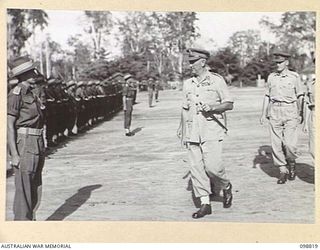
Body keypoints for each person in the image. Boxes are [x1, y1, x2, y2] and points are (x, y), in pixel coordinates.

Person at [177, 48, 234, 219]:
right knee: (196, 168)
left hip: (211, 129)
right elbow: (185, 108)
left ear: (203, 62)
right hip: (192, 130)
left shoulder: (216, 81)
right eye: (189, 62)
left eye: (193, 62)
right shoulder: (188, 84)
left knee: (213, 167)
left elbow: (229, 104)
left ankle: (226, 185)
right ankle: (205, 203)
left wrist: (213, 107)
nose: (190, 66)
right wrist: (181, 128)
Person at [7, 56, 46, 220]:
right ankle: (21, 225)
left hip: (37, 141)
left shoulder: (32, 92)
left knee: (35, 185)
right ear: (22, 75)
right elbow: (9, 125)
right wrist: (14, 154)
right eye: (30, 72)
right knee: (24, 189)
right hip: (25, 142)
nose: (34, 74)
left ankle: (30, 221)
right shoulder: (16, 94)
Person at [260, 50, 303, 184]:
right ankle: (282, 170)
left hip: (290, 110)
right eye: (276, 62)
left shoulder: (294, 77)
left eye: (280, 62)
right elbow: (267, 96)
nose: (278, 65)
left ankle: (291, 162)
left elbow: (300, 96)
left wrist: (300, 113)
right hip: (274, 111)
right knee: (276, 144)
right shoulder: (271, 77)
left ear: (287, 63)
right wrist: (263, 114)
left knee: (290, 144)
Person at [302, 57, 315, 160]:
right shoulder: (311, 84)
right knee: (313, 149)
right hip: (313, 115)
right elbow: (307, 104)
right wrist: (305, 123)